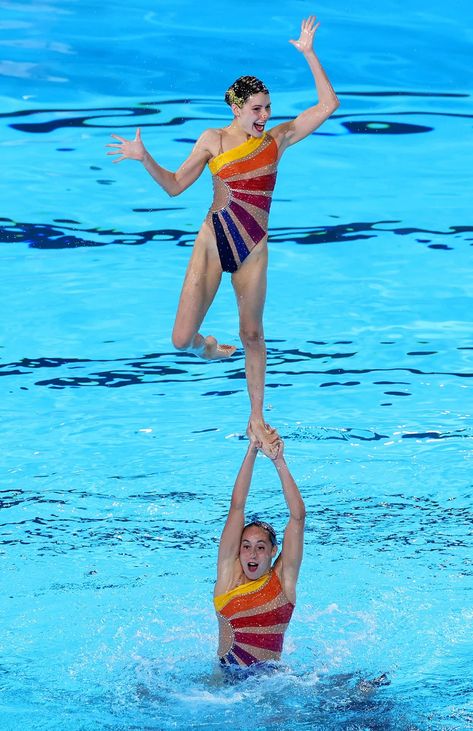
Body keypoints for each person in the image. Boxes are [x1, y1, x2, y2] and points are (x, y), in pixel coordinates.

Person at [106, 15, 339, 456]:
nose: (265, 116)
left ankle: (256, 416)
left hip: (253, 250)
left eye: (268, 108)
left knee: (253, 334)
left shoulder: (277, 140)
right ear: (237, 109)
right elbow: (176, 186)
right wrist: (143, 157)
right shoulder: (212, 139)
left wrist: (309, 54)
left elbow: (328, 105)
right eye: (257, 109)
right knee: (180, 340)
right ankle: (208, 349)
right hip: (213, 243)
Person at [213, 434, 305, 669]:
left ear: (274, 551)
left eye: (260, 548)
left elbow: (297, 517)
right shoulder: (228, 579)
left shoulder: (282, 581)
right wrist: (252, 449)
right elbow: (237, 506)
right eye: (246, 547)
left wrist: (279, 462)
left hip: (271, 685)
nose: (252, 554)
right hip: (224, 687)